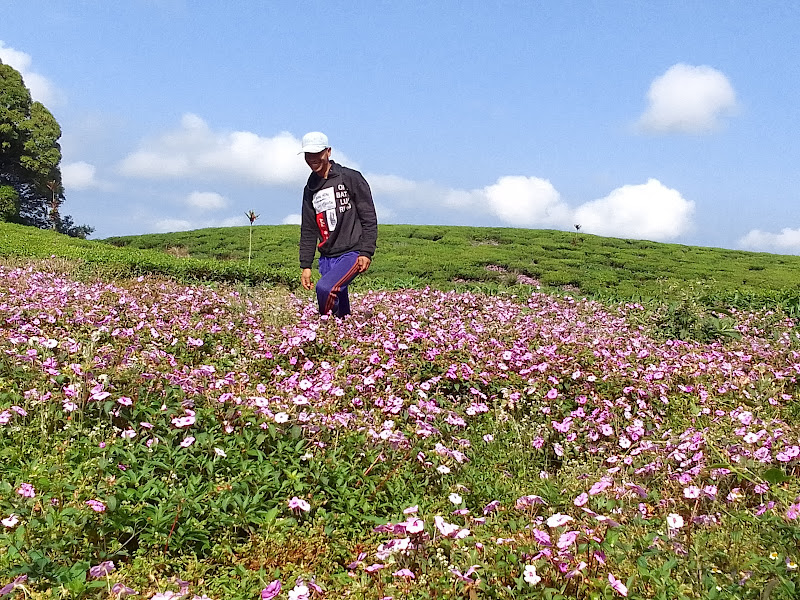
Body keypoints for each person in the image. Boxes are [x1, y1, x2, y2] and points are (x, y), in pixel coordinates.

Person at [298, 131, 378, 317]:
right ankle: (342, 338)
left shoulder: (350, 178)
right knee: (340, 310)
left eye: (317, 153)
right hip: (326, 257)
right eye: (308, 155)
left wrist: (366, 251)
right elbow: (308, 229)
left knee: (325, 288)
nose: (312, 159)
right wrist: (306, 265)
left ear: (328, 152)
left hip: (351, 252)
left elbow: (368, 216)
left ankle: (325, 327)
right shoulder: (310, 189)